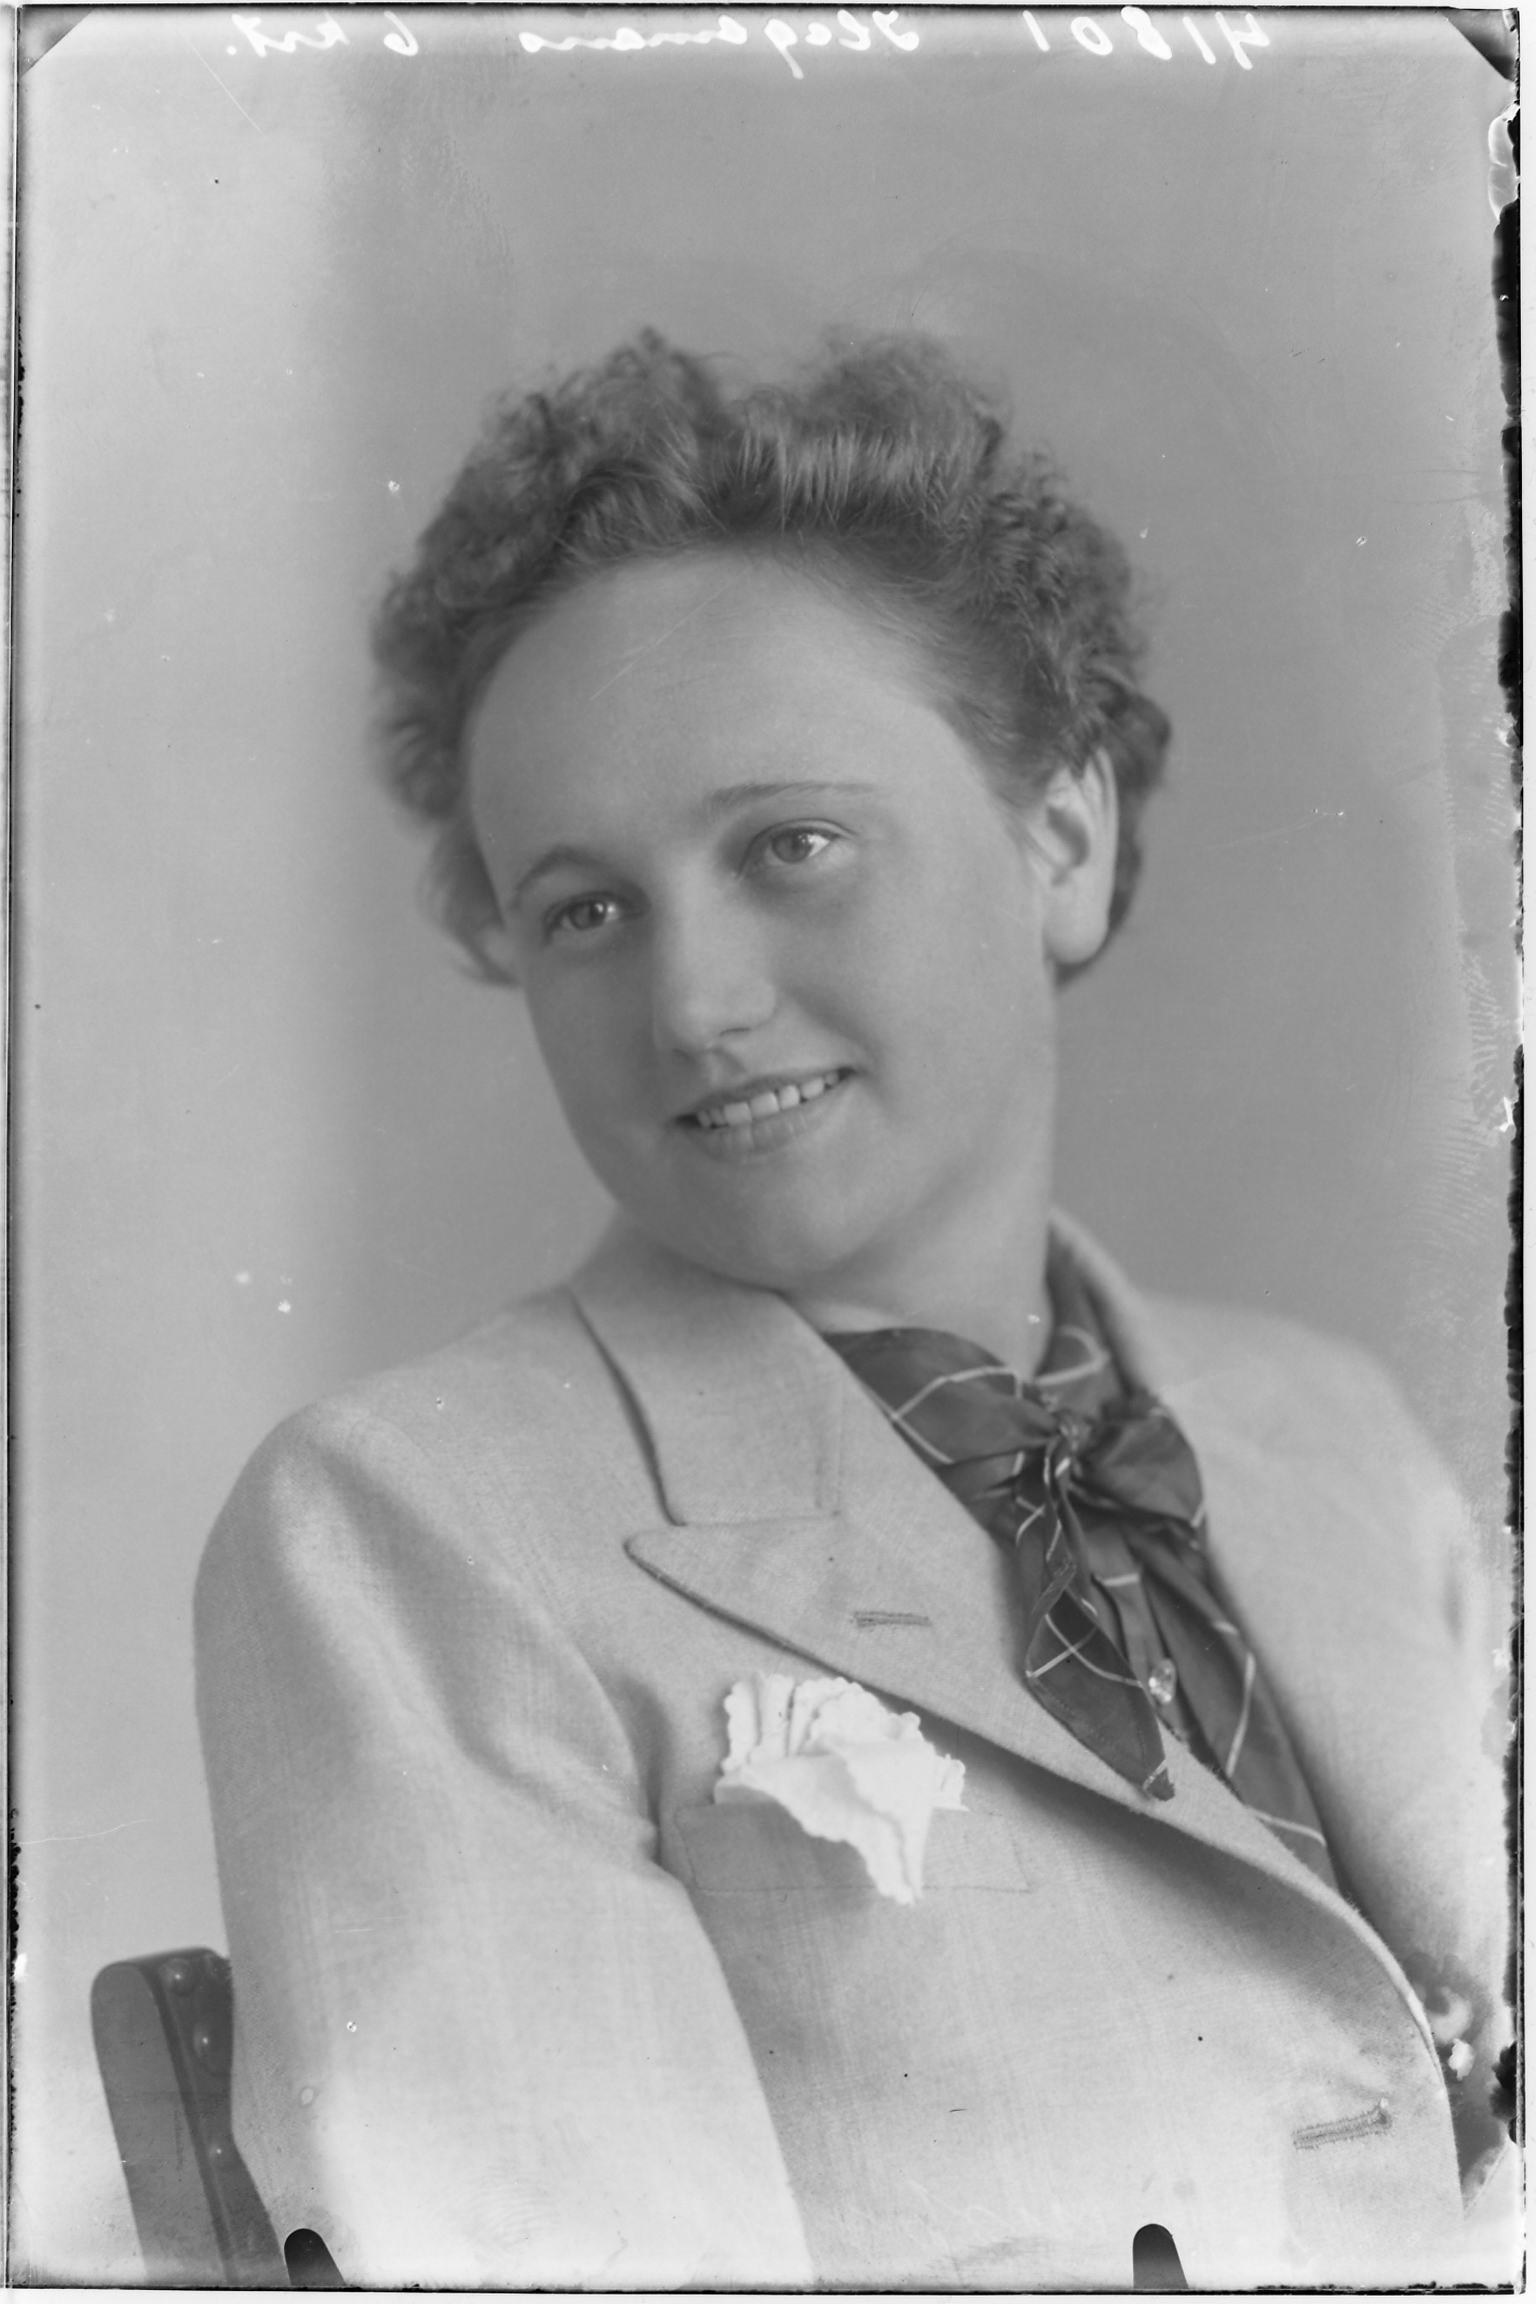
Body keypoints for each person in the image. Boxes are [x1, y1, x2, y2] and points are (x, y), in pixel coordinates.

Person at [195, 333, 1510, 2290]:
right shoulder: (410, 1530)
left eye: (790, 846)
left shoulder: (1342, 1439)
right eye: (584, 907)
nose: (695, 1000)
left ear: (1062, 841)